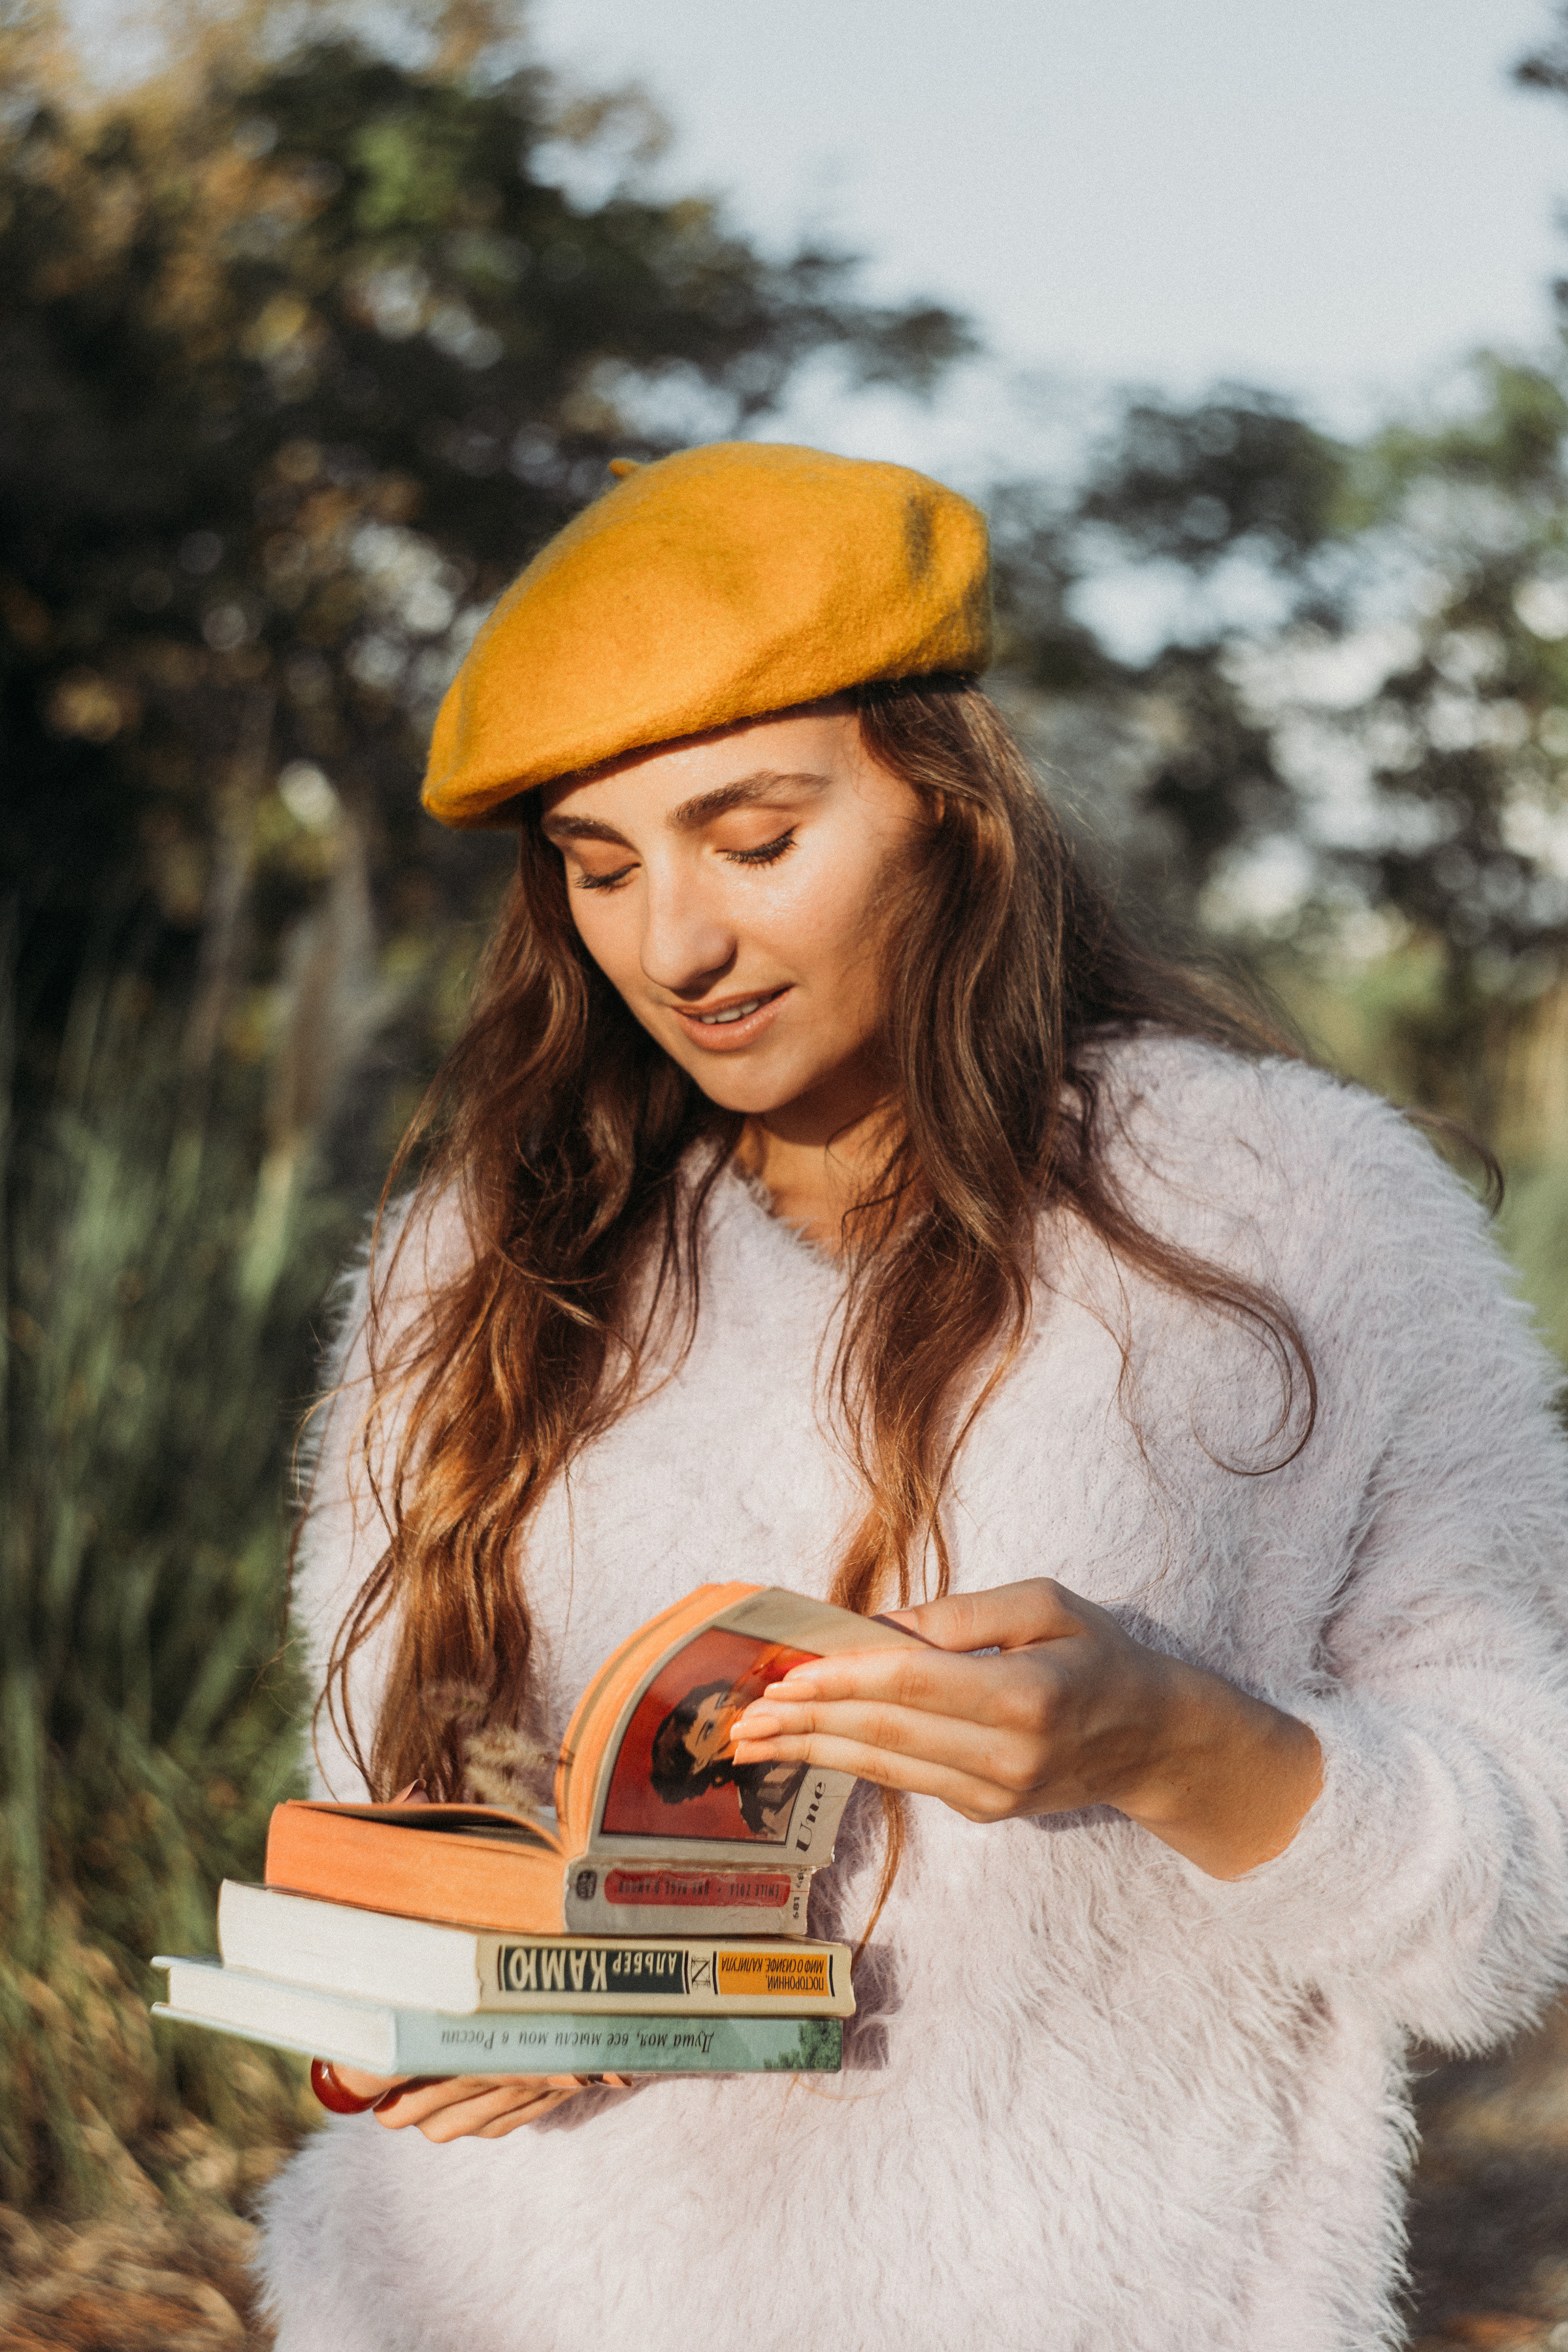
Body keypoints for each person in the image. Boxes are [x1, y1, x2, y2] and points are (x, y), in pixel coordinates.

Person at [259, 442, 1568, 2352]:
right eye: (600, 868)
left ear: (953, 811)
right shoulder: (481, 1261)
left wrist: (1176, 1746)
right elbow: (374, 1795)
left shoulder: (1298, 1216)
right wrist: (440, 1992)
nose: (675, 946)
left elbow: (1515, 1897)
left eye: (754, 839)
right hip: (487, 2295)